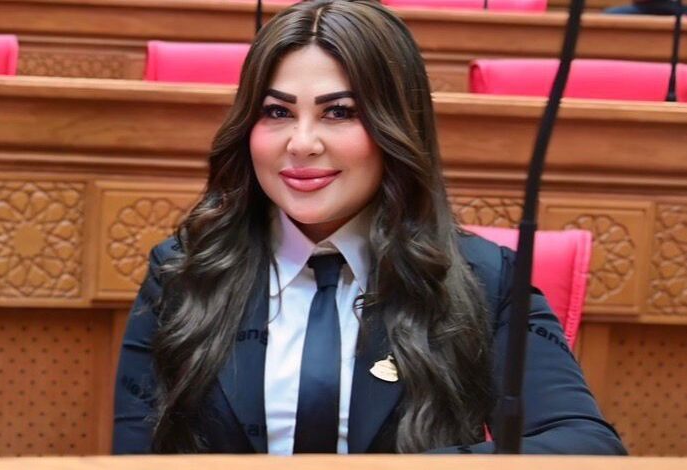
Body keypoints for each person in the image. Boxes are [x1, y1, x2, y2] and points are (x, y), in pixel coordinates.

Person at [113, 0, 626, 455]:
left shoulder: (488, 280)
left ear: (395, 126)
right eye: (277, 111)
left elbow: (587, 446)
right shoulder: (181, 272)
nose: (302, 143)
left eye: (339, 112)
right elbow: (136, 453)